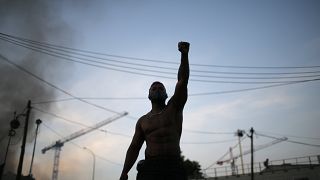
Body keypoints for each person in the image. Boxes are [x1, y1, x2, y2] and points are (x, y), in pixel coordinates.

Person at [119, 42, 190, 180]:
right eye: (154, 88)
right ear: (149, 95)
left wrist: (184, 56)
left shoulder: (174, 108)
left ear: (166, 94)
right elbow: (134, 147)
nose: (158, 89)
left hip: (173, 166)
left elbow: (183, 80)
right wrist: (124, 171)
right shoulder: (143, 121)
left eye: (161, 88)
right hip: (150, 168)